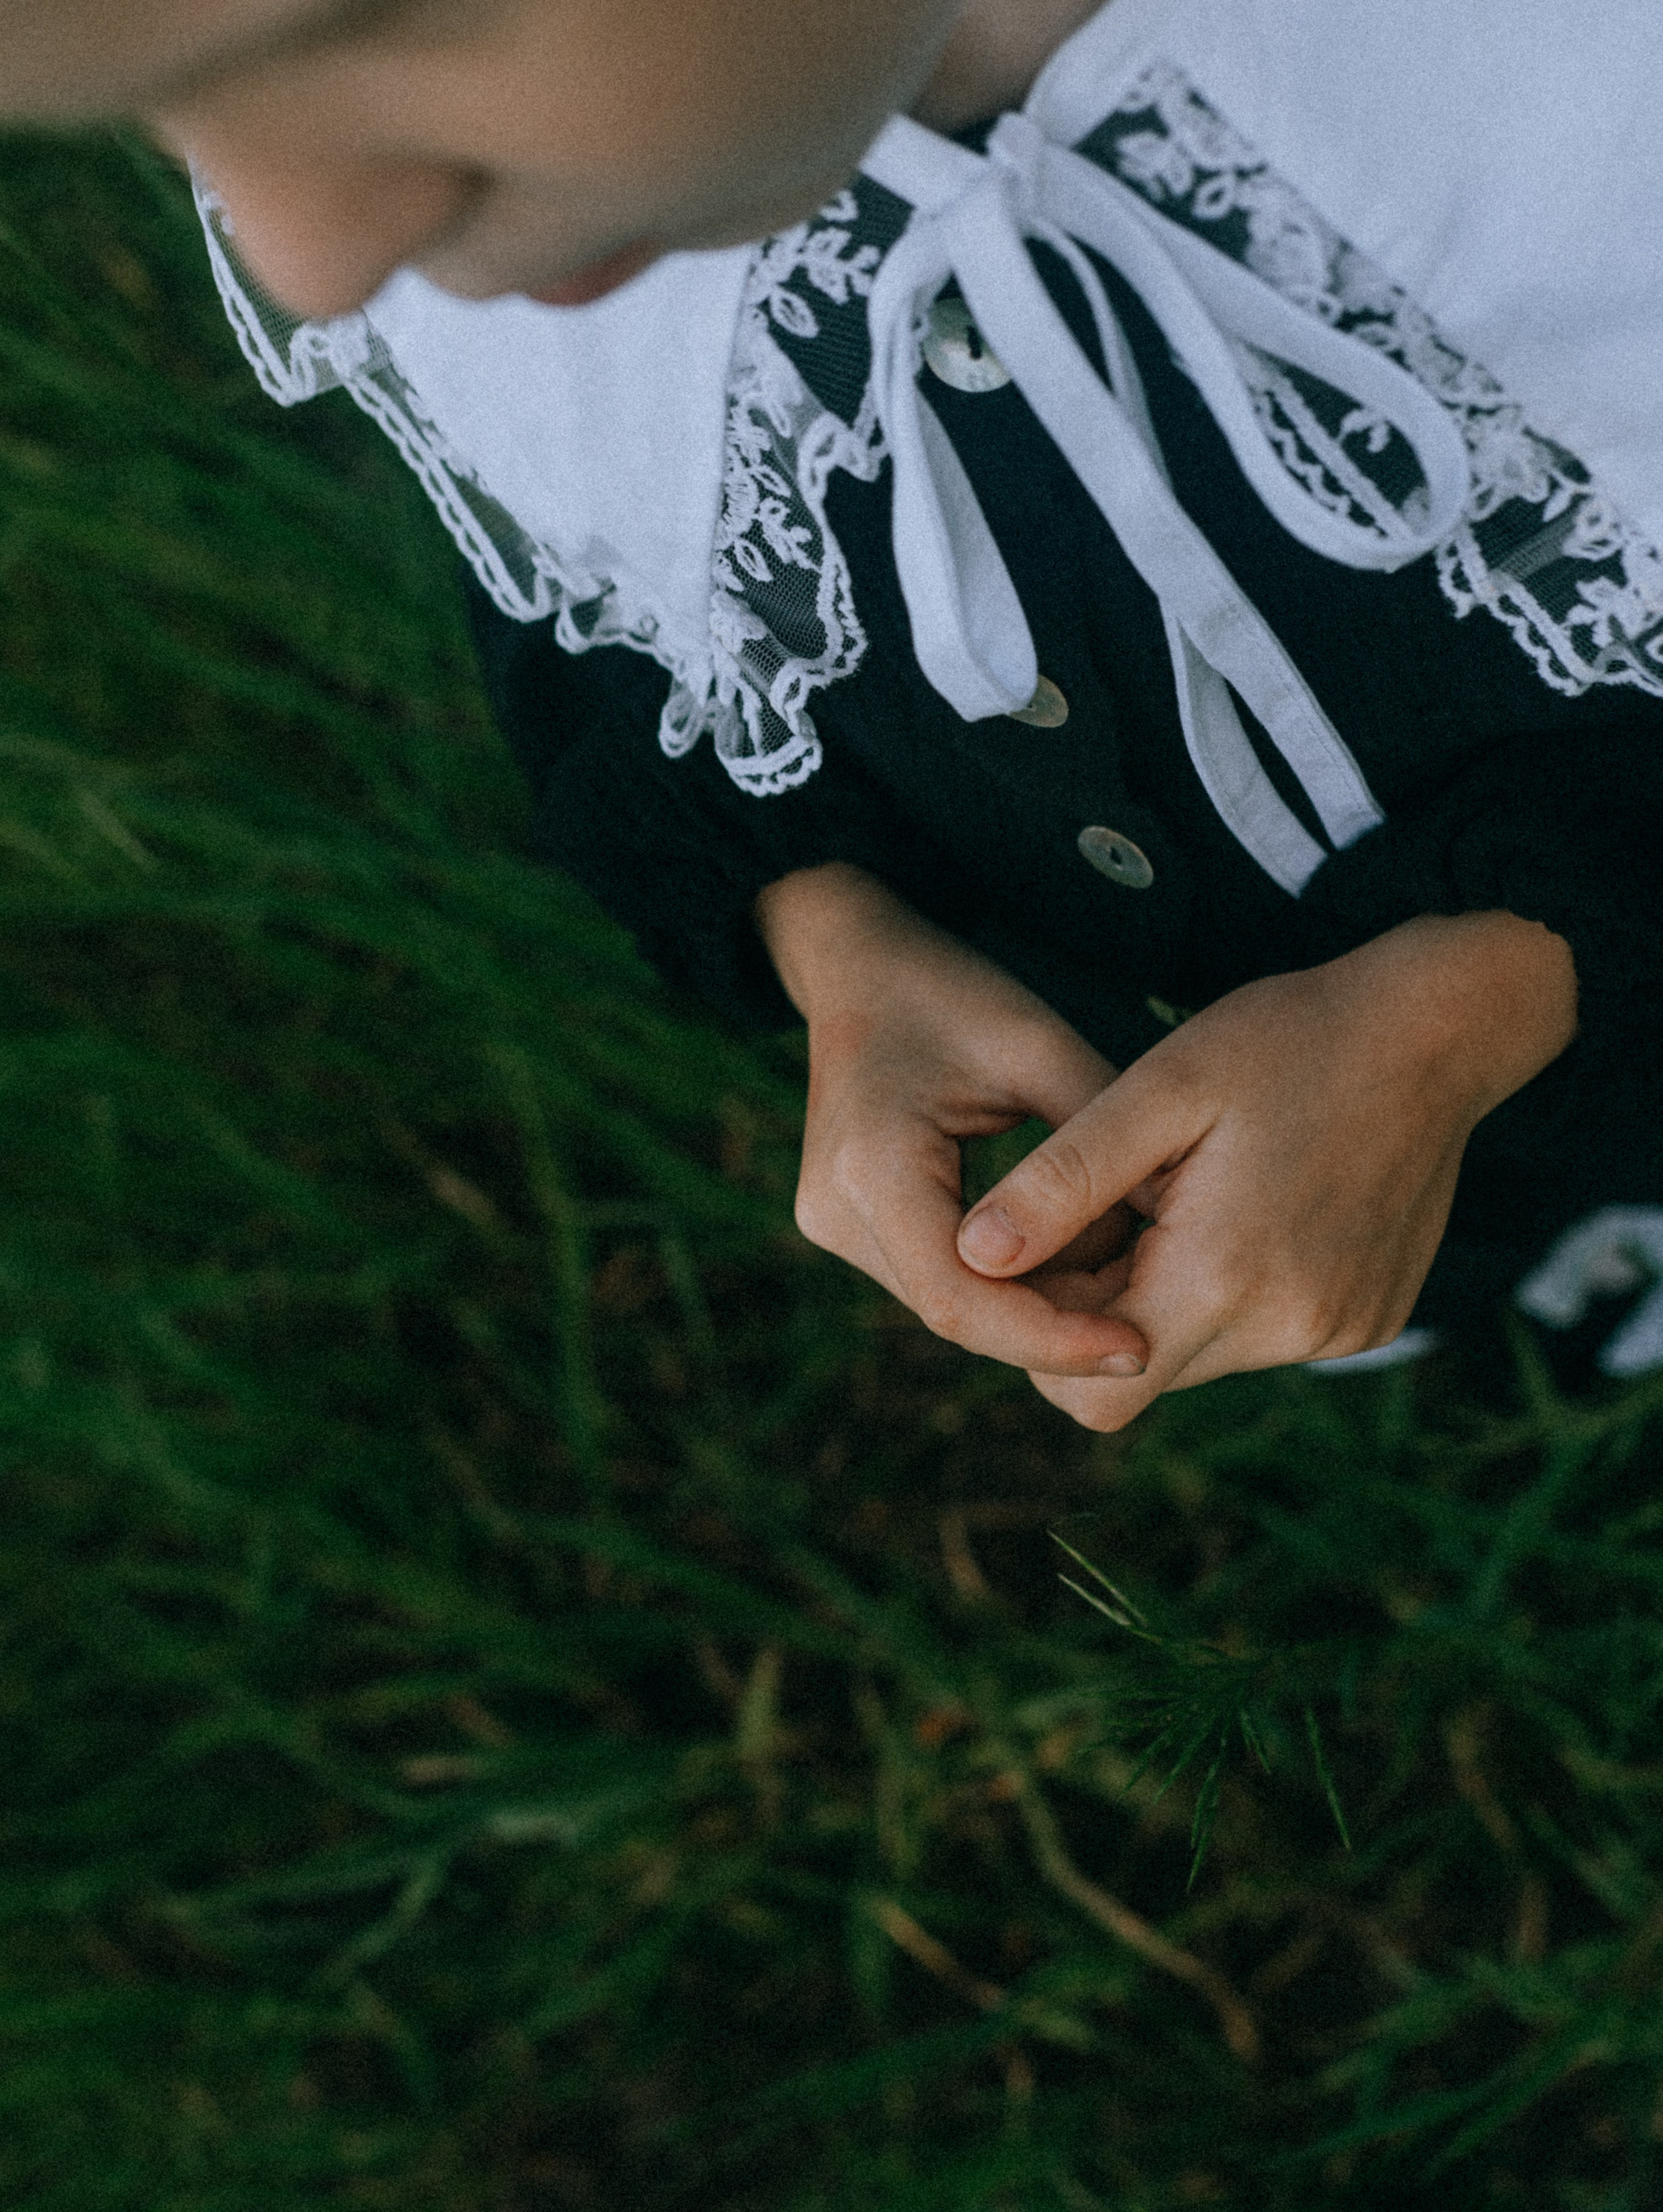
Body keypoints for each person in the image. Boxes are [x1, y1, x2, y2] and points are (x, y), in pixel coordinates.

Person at [8, 0, 1663, 1424]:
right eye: (171, 113)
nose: (306, 257)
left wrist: (1481, 1008)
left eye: (363, 24)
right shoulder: (612, 199)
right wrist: (833, 931)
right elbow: (599, 597)